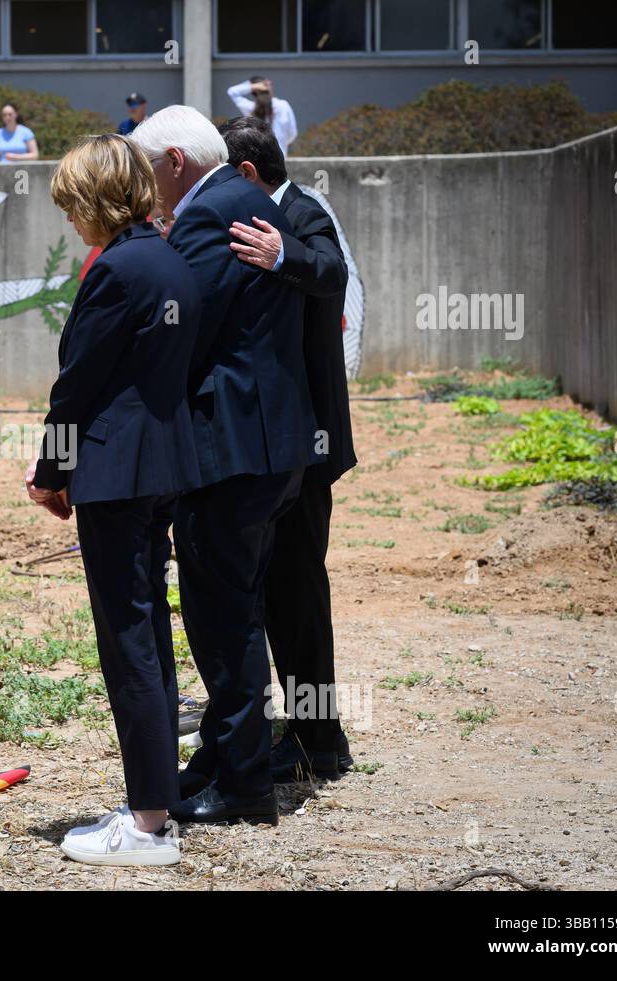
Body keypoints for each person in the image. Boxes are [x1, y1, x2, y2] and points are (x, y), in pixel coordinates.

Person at [130, 105, 319, 827]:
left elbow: (182, 317)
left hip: (233, 455)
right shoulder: (244, 200)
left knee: (223, 618)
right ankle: (221, 753)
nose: (145, 190)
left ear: (174, 161)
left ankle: (243, 784)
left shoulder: (208, 214)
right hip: (271, 450)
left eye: (147, 173)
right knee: (232, 610)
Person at [26, 133, 202, 866]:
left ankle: (147, 822)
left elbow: (78, 386)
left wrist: (50, 472)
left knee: (128, 643)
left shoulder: (115, 271)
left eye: (73, 206)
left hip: (116, 474)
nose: (70, 221)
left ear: (97, 200)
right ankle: (155, 803)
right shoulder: (170, 258)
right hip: (163, 467)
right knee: (150, 637)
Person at [220, 117, 357, 782]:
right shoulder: (247, 223)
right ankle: (304, 731)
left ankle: (319, 744)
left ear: (247, 175)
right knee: (277, 594)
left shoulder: (301, 214)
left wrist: (284, 255)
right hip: (273, 450)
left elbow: (332, 272)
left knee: (299, 597)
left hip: (308, 450)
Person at [226, 76, 298, 156]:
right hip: (281, 158)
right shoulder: (283, 106)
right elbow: (292, 134)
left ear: (254, 92)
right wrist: (282, 143)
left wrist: (253, 86)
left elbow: (232, 92)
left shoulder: (250, 108)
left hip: (259, 159)